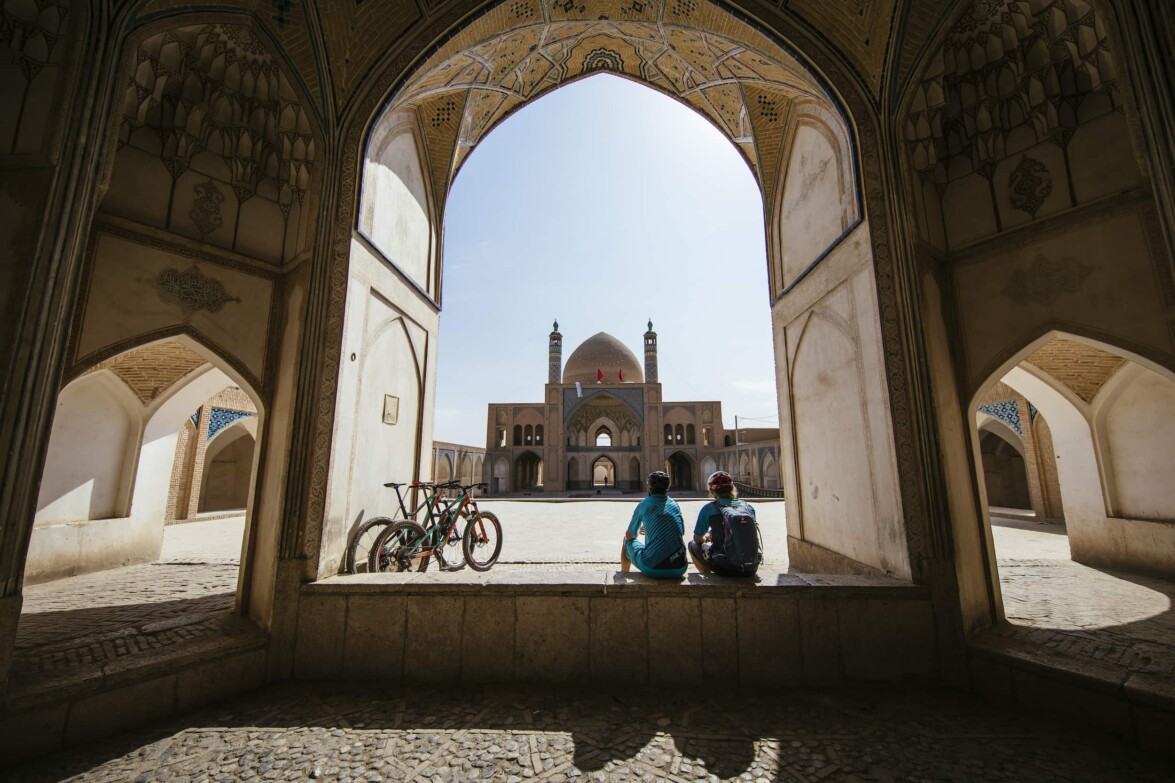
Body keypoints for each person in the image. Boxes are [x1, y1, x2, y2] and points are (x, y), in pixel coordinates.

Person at [688, 470, 760, 576]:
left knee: (693, 545)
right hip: (752, 567)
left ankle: (708, 577)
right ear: (732, 488)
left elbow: (697, 538)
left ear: (712, 491)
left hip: (726, 566)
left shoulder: (709, 508)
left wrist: (705, 539)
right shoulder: (748, 508)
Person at [620, 471, 687, 579]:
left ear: (649, 487)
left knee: (626, 541)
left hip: (652, 567)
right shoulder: (674, 505)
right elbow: (681, 531)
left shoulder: (644, 504)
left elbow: (629, 535)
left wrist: (638, 532)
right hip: (680, 567)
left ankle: (623, 576)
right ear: (668, 487)